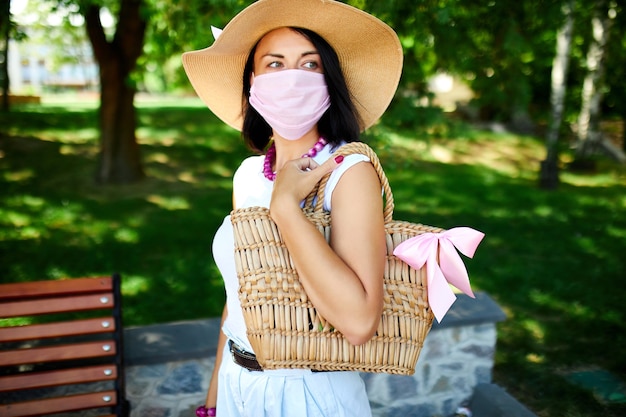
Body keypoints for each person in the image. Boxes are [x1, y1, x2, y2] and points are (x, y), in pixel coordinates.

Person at [182, 0, 403, 415]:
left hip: (307, 394)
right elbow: (239, 297)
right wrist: (213, 401)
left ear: (329, 79)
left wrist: (286, 208)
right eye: (275, 64)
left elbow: (358, 323)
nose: (292, 78)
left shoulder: (348, 171)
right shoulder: (247, 175)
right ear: (253, 80)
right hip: (237, 382)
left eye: (310, 65)